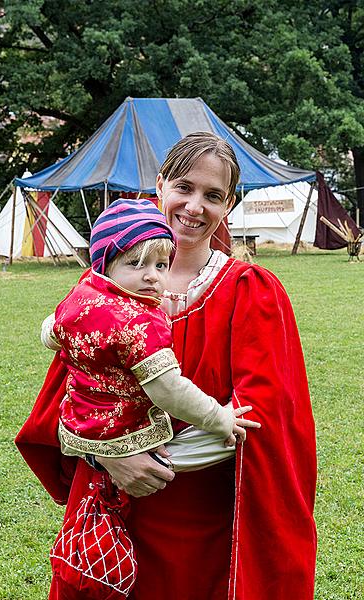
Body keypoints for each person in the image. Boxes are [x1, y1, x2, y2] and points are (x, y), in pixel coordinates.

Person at [16, 132, 317, 600]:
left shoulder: (248, 291)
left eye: (213, 195)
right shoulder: (101, 285)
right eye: (184, 187)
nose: (195, 206)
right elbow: (68, 395)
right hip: (107, 510)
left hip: (200, 523)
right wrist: (111, 456)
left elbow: (259, 416)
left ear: (228, 205)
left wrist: (151, 463)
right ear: (160, 185)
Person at [47, 198, 259, 463]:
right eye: (136, 263)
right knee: (231, 441)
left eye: (161, 265)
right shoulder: (140, 323)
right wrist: (219, 418)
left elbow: (50, 332)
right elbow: (169, 391)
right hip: (124, 432)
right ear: (106, 266)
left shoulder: (81, 297)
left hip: (78, 424)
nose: (152, 276)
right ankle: (163, 462)